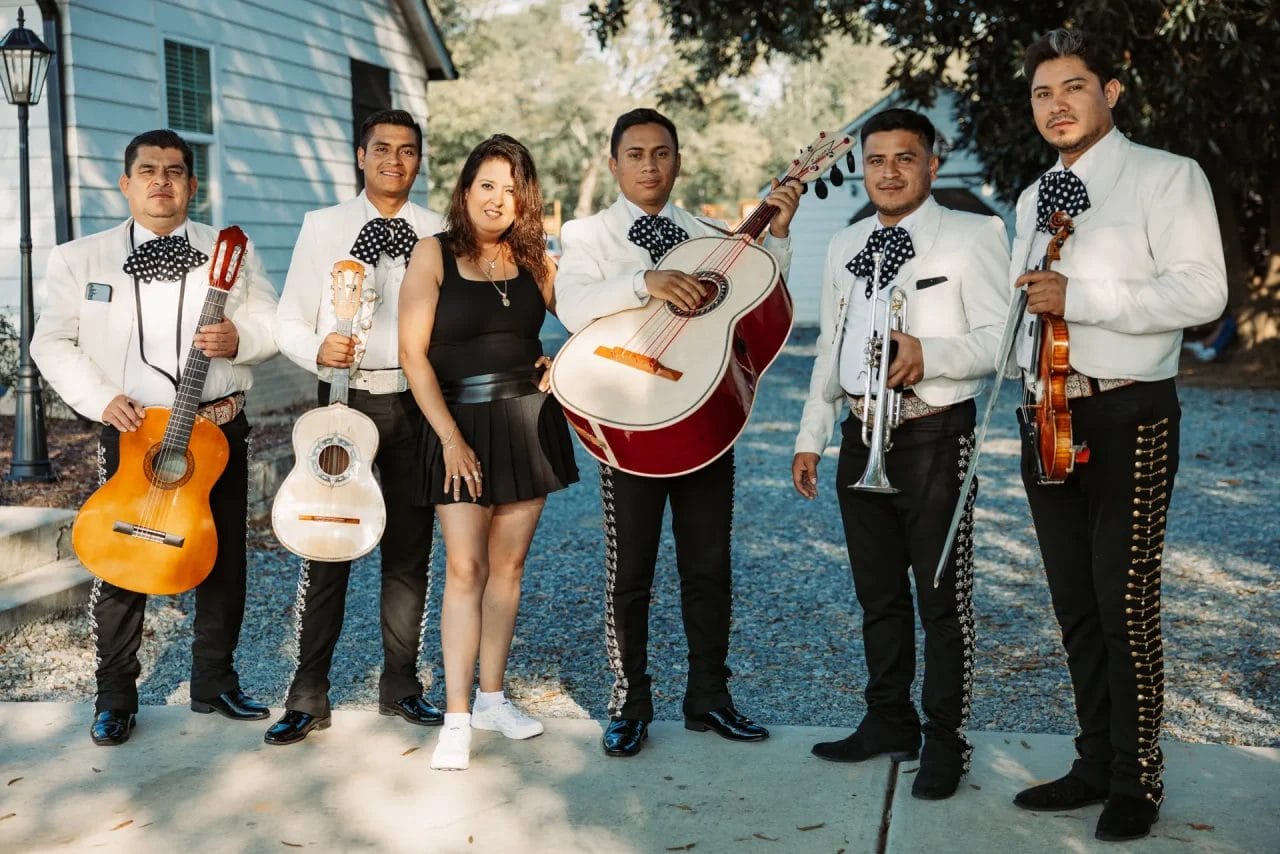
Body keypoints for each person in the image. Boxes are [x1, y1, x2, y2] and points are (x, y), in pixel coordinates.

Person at [1007, 29, 1226, 841]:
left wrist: (1082, 297)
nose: (1057, 105)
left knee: (1122, 602)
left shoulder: (1167, 177)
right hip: (1048, 412)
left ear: (1111, 91)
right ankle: (1093, 761)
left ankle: (1137, 781)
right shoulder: (1034, 198)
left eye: (1073, 87)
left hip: (1130, 411)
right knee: (1073, 606)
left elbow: (1203, 291)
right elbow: (1025, 299)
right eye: (1041, 94)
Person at [555, 108, 801, 758]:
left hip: (702, 420)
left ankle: (708, 699)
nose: (648, 166)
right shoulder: (587, 234)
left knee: (709, 568)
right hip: (630, 427)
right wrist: (644, 281)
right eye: (634, 154)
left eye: (661, 153)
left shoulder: (706, 233)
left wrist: (777, 236)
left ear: (678, 161)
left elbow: (755, 298)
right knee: (630, 573)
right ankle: (629, 703)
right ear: (613, 164)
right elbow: (571, 304)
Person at [30, 129, 279, 746]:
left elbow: (273, 320)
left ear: (192, 186)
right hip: (133, 429)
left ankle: (214, 681)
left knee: (220, 555)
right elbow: (50, 342)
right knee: (121, 559)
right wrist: (98, 399)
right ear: (127, 184)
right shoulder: (77, 259)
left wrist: (240, 339)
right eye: (148, 171)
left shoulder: (230, 250)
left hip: (216, 427)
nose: (161, 181)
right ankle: (115, 696)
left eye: (175, 171)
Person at [791, 108, 1010, 799]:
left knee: (941, 600)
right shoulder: (846, 242)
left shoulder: (976, 234)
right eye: (876, 159)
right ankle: (890, 720)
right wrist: (811, 435)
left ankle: (946, 741)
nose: (888, 172)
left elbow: (1004, 340)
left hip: (936, 431)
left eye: (904, 158)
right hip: (861, 435)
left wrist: (930, 354)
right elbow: (832, 346)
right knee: (878, 597)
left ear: (932, 164)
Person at [399, 134, 579, 771]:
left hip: (527, 421)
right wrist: (449, 439)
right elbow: (412, 355)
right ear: (465, 190)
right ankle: (455, 716)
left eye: (511, 188)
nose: (498, 199)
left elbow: (591, 321)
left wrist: (564, 362)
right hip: (458, 426)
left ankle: (494, 697)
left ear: (523, 198)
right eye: (487, 185)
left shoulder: (537, 261)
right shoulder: (433, 253)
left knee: (509, 568)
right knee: (465, 570)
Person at [268, 109, 447, 745]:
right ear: (360, 156)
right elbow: (288, 319)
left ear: (419, 160)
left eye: (407, 150)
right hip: (342, 404)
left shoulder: (438, 229)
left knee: (408, 553)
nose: (394, 160)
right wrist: (318, 347)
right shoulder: (323, 227)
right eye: (382, 149)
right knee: (325, 546)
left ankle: (402, 687)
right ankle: (308, 693)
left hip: (417, 405)